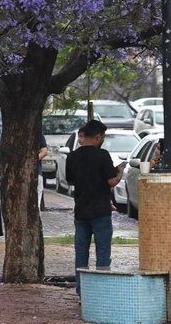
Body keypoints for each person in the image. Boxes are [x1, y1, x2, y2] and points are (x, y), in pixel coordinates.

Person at [66, 120, 122, 296]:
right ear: (98, 137)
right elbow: (111, 181)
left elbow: (70, 180)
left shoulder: (72, 157)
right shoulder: (102, 155)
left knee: (81, 253)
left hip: (81, 210)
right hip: (100, 211)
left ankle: (82, 292)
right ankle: (101, 291)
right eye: (103, 137)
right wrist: (120, 171)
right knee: (103, 252)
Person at [37, 132, 48, 210]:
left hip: (36, 172)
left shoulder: (38, 134)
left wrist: (31, 160)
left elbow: (44, 152)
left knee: (37, 201)